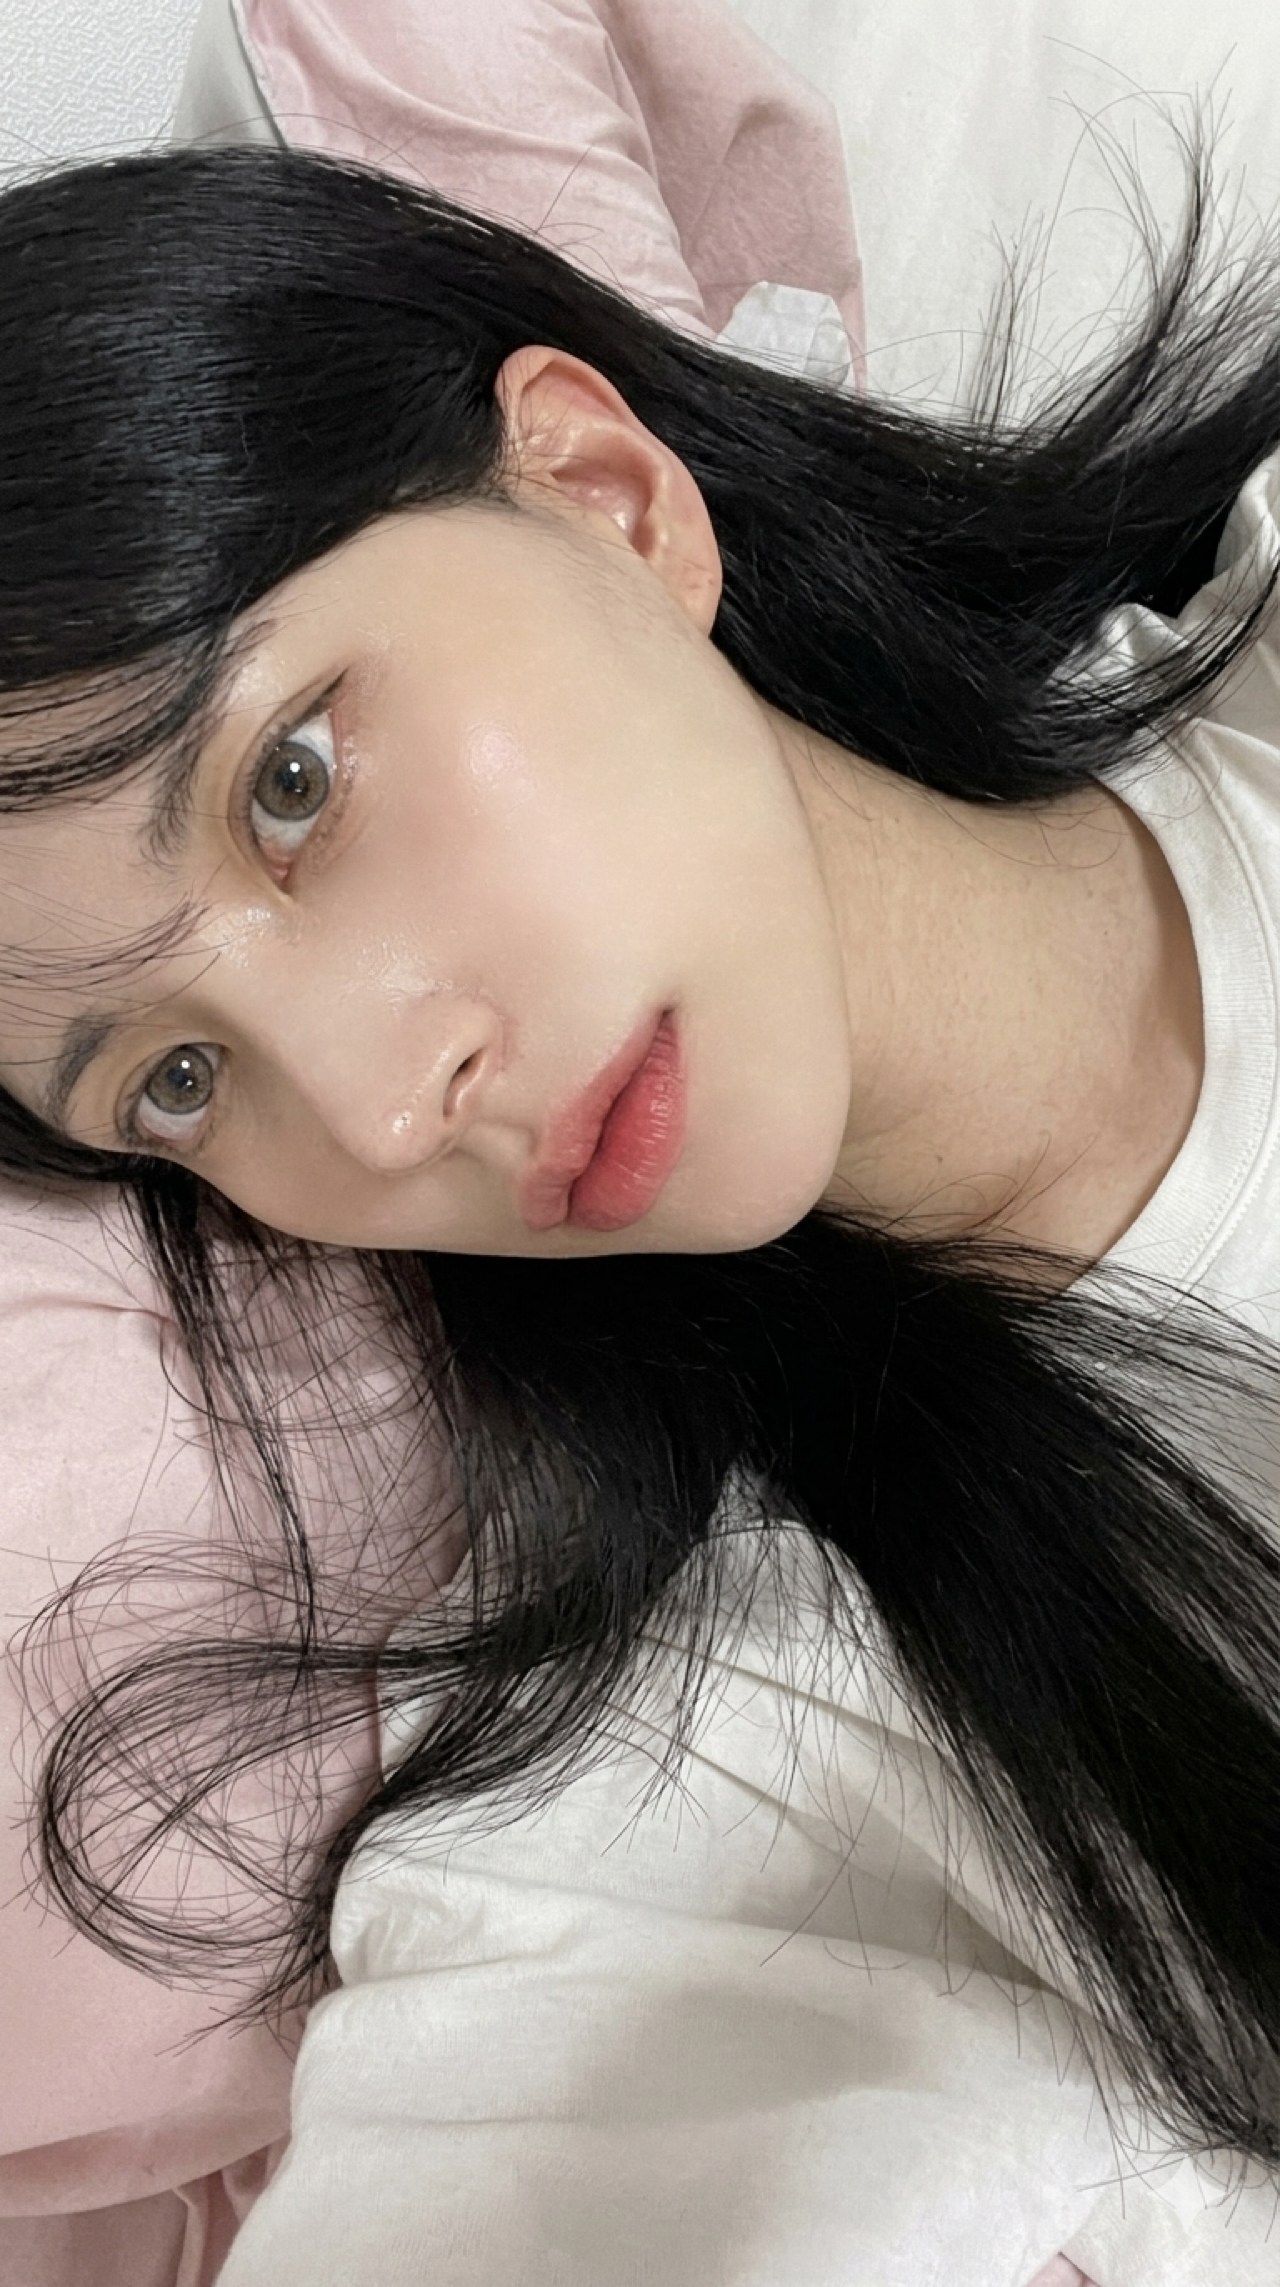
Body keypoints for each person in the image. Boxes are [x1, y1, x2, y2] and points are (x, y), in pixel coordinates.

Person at [3, 112, 1280, 2284]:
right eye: (178, 1080)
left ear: (603, 493)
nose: (381, 1110)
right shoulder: (720, 1771)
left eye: (289, 780)